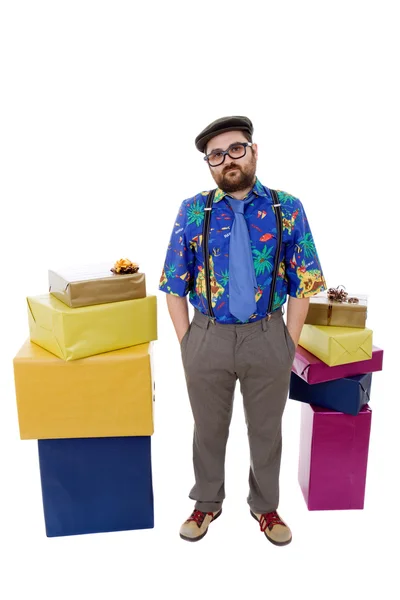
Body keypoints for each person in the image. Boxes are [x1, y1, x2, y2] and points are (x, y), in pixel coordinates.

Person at [159, 116, 326, 545]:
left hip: (268, 335)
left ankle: (265, 507)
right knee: (208, 428)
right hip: (207, 337)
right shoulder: (194, 210)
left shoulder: (286, 208)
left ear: (253, 151)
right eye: (216, 155)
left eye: (235, 149)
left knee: (267, 429)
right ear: (210, 165)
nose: (227, 160)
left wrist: (288, 341)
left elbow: (303, 279)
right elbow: (174, 282)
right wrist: (188, 342)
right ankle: (207, 503)